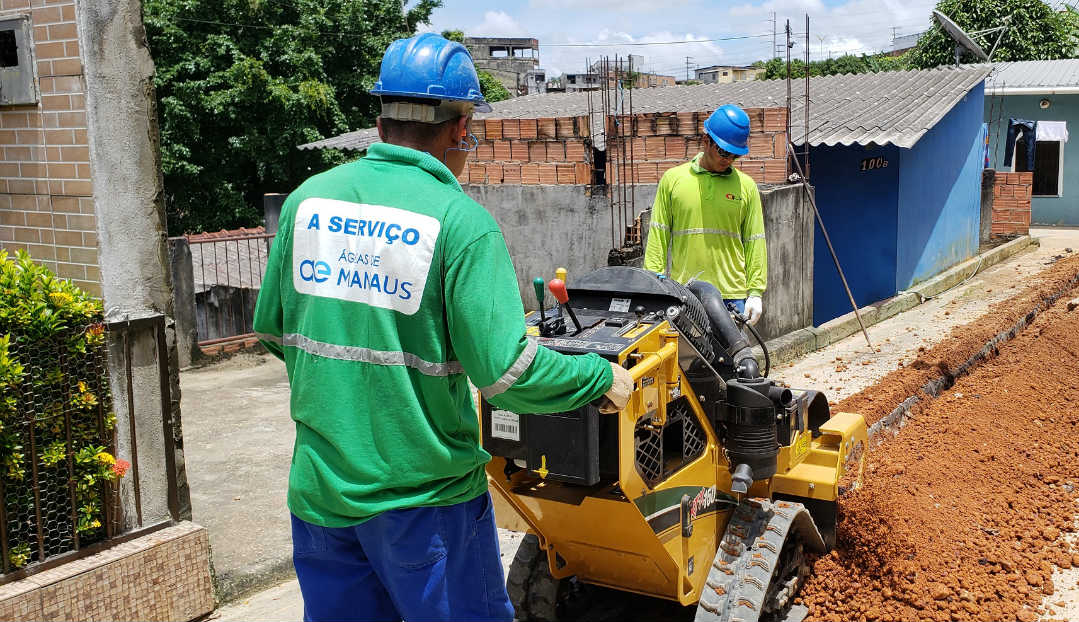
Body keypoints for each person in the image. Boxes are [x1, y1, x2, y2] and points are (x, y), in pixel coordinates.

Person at [253, 33, 633, 622]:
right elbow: (508, 371)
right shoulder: (461, 223)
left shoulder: (307, 203)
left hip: (322, 500)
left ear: (380, 122)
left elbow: (275, 333)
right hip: (426, 508)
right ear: (461, 130)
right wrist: (595, 377)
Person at [643, 104, 767, 325]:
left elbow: (755, 241)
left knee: (735, 359)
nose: (728, 159)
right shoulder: (673, 181)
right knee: (686, 359)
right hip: (687, 294)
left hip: (732, 296)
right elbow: (658, 237)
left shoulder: (746, 186)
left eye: (735, 155)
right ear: (706, 140)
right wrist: (653, 287)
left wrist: (756, 292)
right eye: (723, 151)